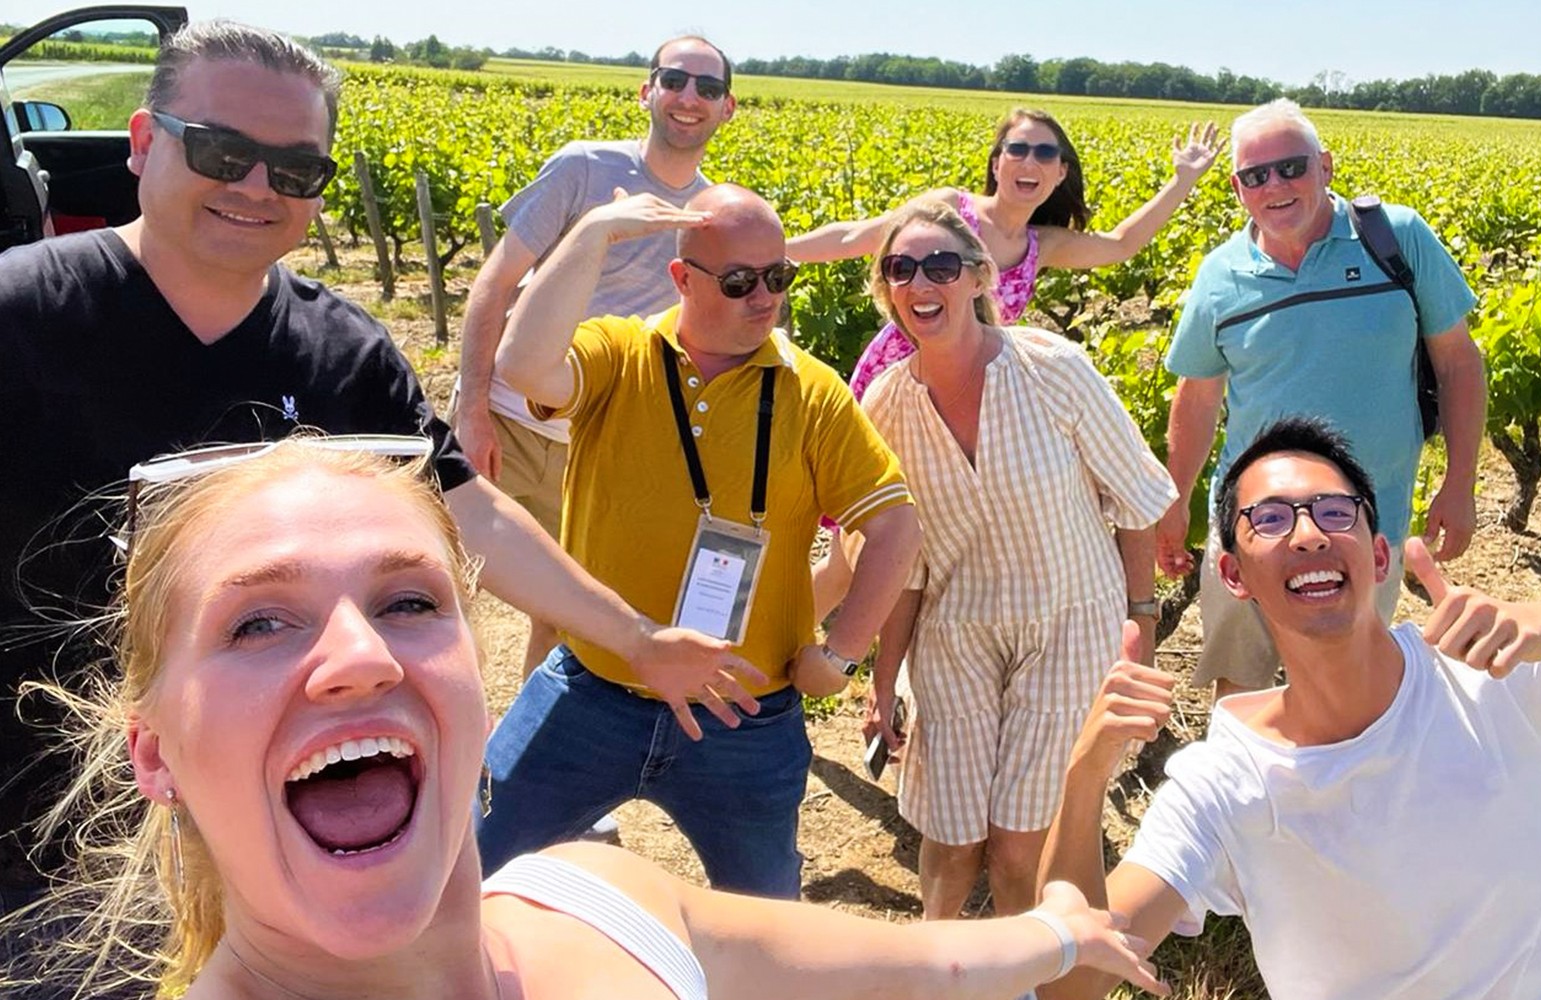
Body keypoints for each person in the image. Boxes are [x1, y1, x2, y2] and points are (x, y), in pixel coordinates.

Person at [0, 21, 744, 920]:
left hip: (277, 814)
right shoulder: (23, 316)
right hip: (44, 827)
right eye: (221, 151)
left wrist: (637, 640)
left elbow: (474, 513)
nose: (254, 186)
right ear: (145, 141)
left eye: (295, 170)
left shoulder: (342, 355)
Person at [0, 439, 1172, 999]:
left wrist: (1063, 929)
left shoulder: (602, 897)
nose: (356, 658)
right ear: (152, 752)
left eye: (408, 600)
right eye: (259, 624)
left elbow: (937, 960)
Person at [1040, 417, 1541, 1000]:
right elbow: (1073, 984)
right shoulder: (1226, 787)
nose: (1308, 534)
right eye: (1271, 519)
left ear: (1379, 557)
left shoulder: (1495, 673)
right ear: (1233, 574)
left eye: (1335, 512)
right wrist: (1085, 775)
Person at [479, 183, 923, 898]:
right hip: (595, 690)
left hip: (744, 713)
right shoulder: (618, 352)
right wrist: (592, 232)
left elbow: (896, 524)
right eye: (742, 280)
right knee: (475, 869)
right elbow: (524, 367)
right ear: (682, 279)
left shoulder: (812, 391)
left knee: (765, 918)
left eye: (779, 277)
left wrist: (839, 654)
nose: (766, 297)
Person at [856, 199, 1176, 920]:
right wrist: (882, 680)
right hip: (955, 634)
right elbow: (902, 561)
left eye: (940, 265)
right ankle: (936, 973)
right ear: (886, 290)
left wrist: (1141, 631)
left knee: (1017, 848)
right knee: (949, 840)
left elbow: (1135, 499)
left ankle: (1021, 977)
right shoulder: (886, 404)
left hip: (1069, 624)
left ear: (977, 279)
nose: (919, 283)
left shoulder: (1051, 369)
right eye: (900, 269)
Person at [791, 108, 1218, 612]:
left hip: (963, 398)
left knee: (911, 534)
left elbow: (1122, 244)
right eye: (1017, 148)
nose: (1028, 160)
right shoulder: (952, 212)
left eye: (1045, 152)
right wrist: (766, 250)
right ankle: (778, 650)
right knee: (855, 539)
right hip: (898, 381)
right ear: (997, 164)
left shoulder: (1040, 245)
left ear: (1060, 173)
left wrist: (1182, 181)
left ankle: (837, 654)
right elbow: (855, 237)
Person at [1155, 98, 1486, 700]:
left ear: (1326, 166)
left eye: (1291, 167)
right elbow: (1197, 400)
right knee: (1242, 686)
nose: (1274, 186)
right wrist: (1174, 500)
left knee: (1352, 683)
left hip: (1367, 520)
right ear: (1237, 189)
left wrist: (1460, 482)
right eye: (1255, 176)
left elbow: (1460, 363)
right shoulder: (1219, 275)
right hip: (1252, 523)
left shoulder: (1396, 238)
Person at [453, 35, 737, 677]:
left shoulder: (713, 212)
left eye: (708, 88)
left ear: (728, 109)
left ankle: (518, 768)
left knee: (561, 615)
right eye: (675, 80)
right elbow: (494, 285)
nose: (690, 97)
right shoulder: (583, 168)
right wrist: (472, 411)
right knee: (445, 593)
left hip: (590, 440)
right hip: (508, 422)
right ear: (648, 91)